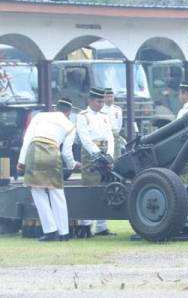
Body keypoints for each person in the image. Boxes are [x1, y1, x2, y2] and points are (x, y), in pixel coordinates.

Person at [16, 98, 81, 241]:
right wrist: (72, 165)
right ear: (68, 112)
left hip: (34, 150)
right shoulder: (70, 125)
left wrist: (21, 162)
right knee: (57, 192)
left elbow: (27, 139)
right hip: (52, 152)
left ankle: (50, 231)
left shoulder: (39, 116)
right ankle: (64, 233)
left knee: (37, 190)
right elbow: (66, 153)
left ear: (55, 108)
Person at [76, 87, 116, 237]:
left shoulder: (104, 116)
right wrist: (98, 154)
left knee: (105, 189)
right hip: (91, 155)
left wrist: (110, 154)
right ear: (90, 101)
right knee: (90, 189)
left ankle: (101, 226)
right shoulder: (83, 116)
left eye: (102, 101)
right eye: (99, 101)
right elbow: (85, 139)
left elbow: (110, 136)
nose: (101, 104)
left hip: (105, 152)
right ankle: (85, 226)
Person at [101, 88, 123, 159]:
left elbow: (119, 124)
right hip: (104, 136)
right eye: (108, 97)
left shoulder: (118, 109)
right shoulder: (100, 109)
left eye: (111, 96)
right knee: (105, 155)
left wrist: (115, 133)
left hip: (115, 135)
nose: (110, 99)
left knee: (117, 156)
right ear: (104, 98)